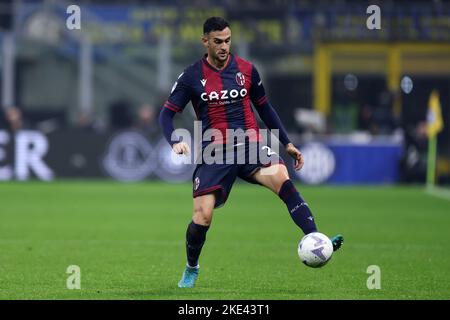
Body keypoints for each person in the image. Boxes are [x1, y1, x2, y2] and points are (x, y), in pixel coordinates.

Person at [159, 17, 344, 288]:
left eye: (228, 40)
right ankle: (191, 267)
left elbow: (265, 108)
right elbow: (166, 114)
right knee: (203, 216)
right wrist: (174, 140)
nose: (224, 46)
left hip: (250, 144)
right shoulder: (190, 76)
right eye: (218, 42)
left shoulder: (246, 70)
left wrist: (287, 142)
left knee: (282, 177)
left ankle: (317, 240)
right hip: (215, 150)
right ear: (205, 41)